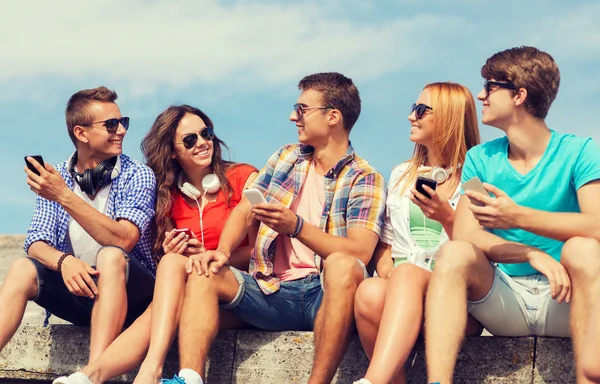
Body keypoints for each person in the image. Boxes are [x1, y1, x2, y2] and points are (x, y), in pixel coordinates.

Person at [151, 72, 387, 384]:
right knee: (203, 270)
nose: (293, 116)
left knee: (343, 264)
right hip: (270, 289)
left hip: (324, 293)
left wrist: (297, 227)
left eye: (302, 109)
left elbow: (360, 251)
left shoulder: (366, 177)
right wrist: (221, 252)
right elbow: (246, 210)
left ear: (332, 116)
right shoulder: (285, 157)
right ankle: (189, 378)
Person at [424, 46, 600, 384]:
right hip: (505, 299)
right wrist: (530, 253)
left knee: (585, 248)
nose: (480, 95)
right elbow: (466, 234)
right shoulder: (479, 159)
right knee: (454, 252)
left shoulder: (581, 152)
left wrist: (517, 217)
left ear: (519, 95)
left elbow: (596, 225)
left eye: (490, 87)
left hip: (566, 299)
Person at [53, 105, 258, 384]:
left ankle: (146, 370)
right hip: (194, 297)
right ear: (173, 151)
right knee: (169, 281)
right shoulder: (167, 197)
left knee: (168, 295)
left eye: (206, 133)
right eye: (190, 139)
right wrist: (172, 253)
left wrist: (209, 256)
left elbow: (263, 251)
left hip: (240, 292)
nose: (202, 142)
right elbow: (161, 263)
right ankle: (91, 376)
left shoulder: (243, 178)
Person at [0, 87, 156, 364]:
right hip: (83, 293)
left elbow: (123, 240)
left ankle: (92, 375)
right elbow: (36, 241)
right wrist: (63, 262)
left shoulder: (138, 174)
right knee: (21, 267)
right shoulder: (57, 176)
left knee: (110, 256)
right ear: (81, 133)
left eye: (123, 122)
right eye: (111, 124)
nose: (121, 130)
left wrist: (63, 195)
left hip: (135, 300)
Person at [353, 82, 481, 384]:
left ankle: (372, 381)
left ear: (449, 117)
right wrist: (389, 275)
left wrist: (449, 219)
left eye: (421, 110)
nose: (412, 116)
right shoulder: (401, 174)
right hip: (405, 290)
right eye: (414, 108)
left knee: (408, 274)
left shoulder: (476, 178)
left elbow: (480, 246)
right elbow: (385, 243)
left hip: (458, 299)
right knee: (370, 292)